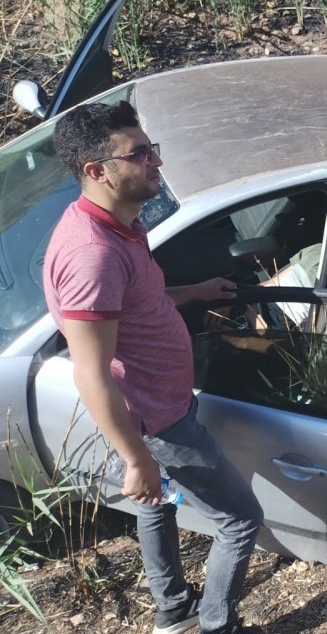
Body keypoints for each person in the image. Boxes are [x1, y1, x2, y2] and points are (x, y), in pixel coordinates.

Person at [43, 101, 263, 634]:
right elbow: (90, 372)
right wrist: (136, 456)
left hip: (154, 410)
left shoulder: (118, 225)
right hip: (156, 420)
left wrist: (195, 292)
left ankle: (172, 610)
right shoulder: (91, 254)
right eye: (139, 154)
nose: (155, 163)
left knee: (155, 506)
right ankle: (217, 626)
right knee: (239, 521)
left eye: (151, 149)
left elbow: (137, 300)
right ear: (97, 170)